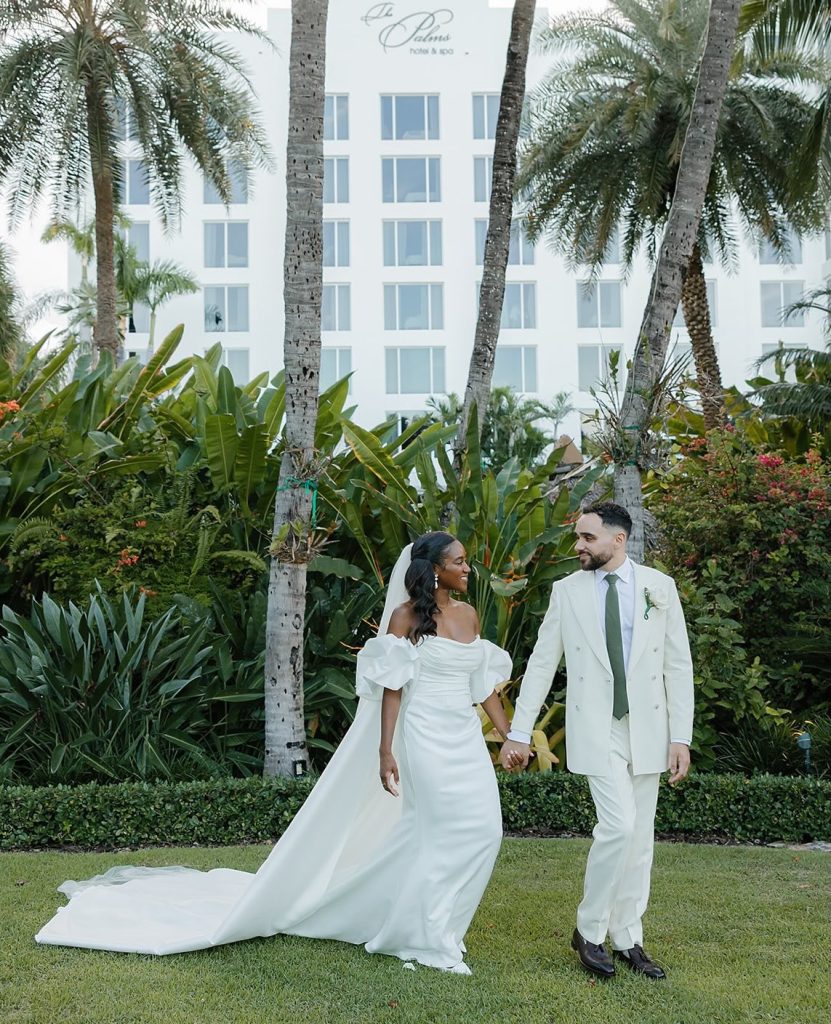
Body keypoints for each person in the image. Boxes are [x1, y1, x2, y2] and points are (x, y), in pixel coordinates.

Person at [36, 532, 513, 975]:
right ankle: (428, 937)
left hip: (463, 738)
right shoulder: (407, 616)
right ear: (433, 569)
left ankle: (422, 922)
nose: (467, 568)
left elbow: (481, 685)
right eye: (459, 562)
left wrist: (508, 735)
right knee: (438, 829)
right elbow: (392, 687)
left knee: (485, 830)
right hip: (422, 736)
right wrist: (385, 750)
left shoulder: (469, 615)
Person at [500, 502, 694, 980]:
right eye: (578, 538)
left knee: (641, 839)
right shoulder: (566, 592)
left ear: (618, 540)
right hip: (597, 726)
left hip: (648, 727)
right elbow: (543, 663)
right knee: (619, 826)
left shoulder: (659, 588)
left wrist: (680, 737)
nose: (578, 546)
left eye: (587, 538)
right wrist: (520, 732)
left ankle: (629, 938)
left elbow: (677, 666)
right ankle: (589, 930)